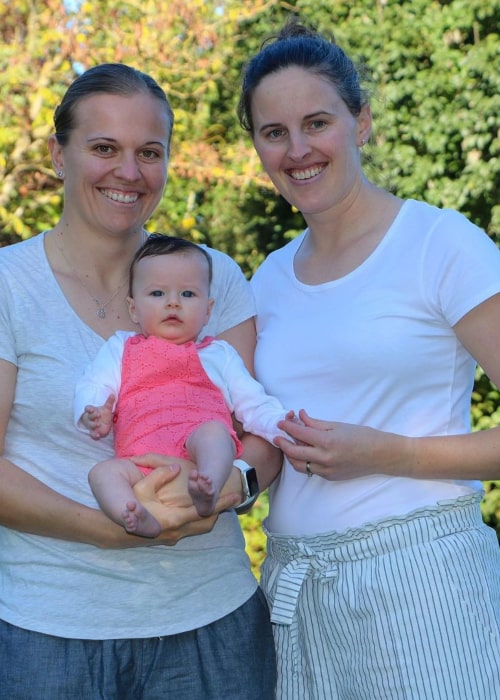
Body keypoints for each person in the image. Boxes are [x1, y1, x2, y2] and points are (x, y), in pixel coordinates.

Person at [238, 19, 500, 700]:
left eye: (317, 122)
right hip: (296, 593)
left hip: (424, 585)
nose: (298, 149)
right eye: (274, 133)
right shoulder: (264, 281)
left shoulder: (440, 244)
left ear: (363, 123)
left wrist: (393, 454)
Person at [0, 63, 280, 699]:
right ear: (58, 153)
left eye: (149, 152)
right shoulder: (9, 285)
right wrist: (111, 526)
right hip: (48, 635)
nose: (129, 172)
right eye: (104, 148)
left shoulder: (212, 280)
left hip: (212, 625)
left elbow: (257, 431)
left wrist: (231, 486)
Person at [75, 233, 290, 532]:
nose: (173, 303)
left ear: (208, 311)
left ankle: (209, 485)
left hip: (195, 448)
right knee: (102, 473)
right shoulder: (121, 348)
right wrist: (94, 411)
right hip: (139, 460)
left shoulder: (219, 355)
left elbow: (252, 403)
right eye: (157, 294)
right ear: (133, 309)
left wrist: (284, 427)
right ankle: (135, 515)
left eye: (188, 295)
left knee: (216, 433)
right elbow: (95, 383)